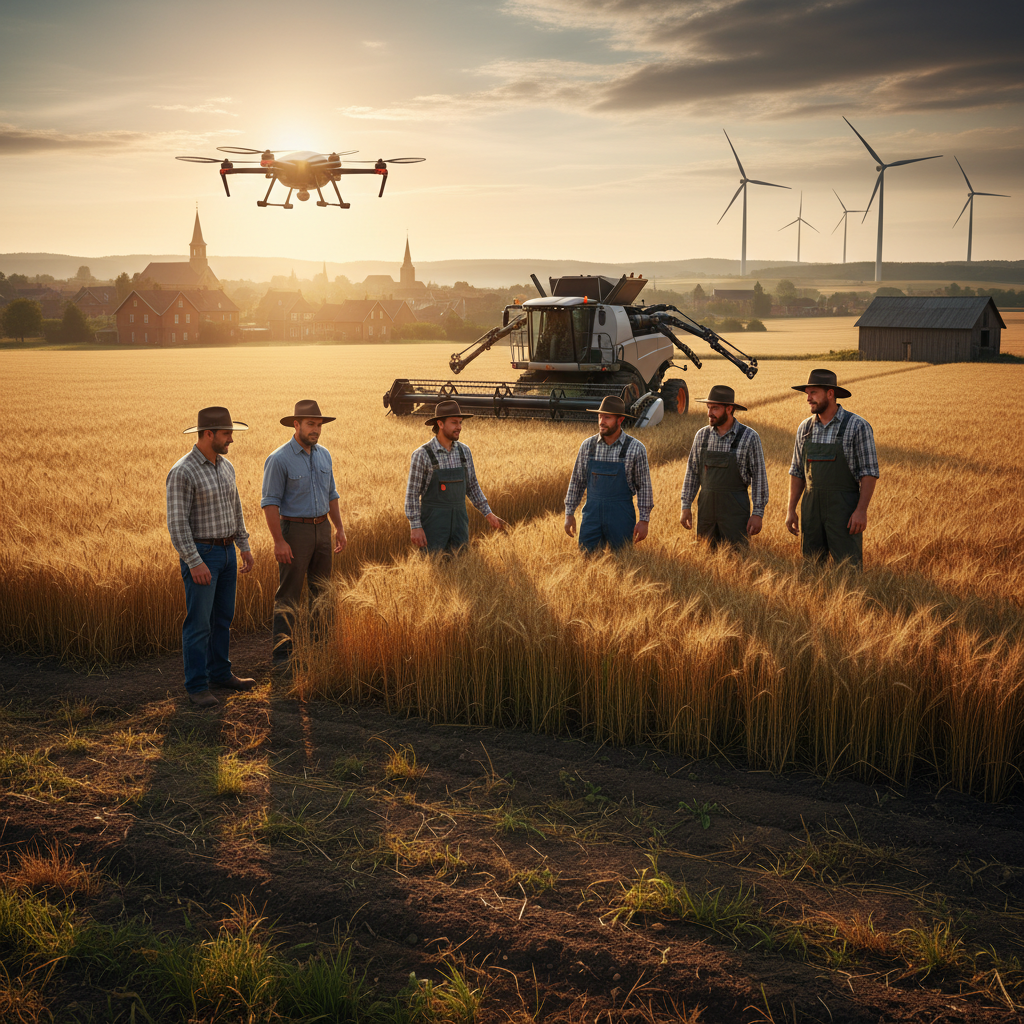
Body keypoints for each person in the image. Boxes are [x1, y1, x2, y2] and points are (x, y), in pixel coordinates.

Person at [166, 406, 255, 709]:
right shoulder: (183, 471)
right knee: (199, 623)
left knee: (222, 619)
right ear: (209, 434)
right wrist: (194, 561)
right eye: (227, 434)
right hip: (203, 554)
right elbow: (177, 523)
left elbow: (236, 507)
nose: (231, 439)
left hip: (228, 552)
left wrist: (244, 546)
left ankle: (220, 673)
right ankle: (197, 686)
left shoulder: (225, 466)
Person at [261, 399, 347, 672]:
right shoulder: (279, 459)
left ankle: (321, 648)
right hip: (294, 531)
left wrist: (339, 528)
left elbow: (331, 494)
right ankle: (282, 656)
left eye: (319, 425)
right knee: (289, 594)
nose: (316, 430)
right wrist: (279, 541)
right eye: (311, 424)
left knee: (322, 590)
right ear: (296, 424)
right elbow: (270, 502)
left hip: (322, 528)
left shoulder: (324, 455)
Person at [785, 368, 879, 568]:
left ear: (830, 393)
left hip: (843, 511)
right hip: (811, 510)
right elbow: (797, 472)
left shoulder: (857, 426)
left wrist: (861, 511)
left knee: (848, 570)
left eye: (813, 393)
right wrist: (791, 509)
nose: (808, 398)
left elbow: (869, 472)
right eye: (807, 393)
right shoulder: (805, 429)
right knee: (811, 569)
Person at [404, 400, 504, 554]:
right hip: (433, 527)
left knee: (461, 568)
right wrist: (415, 526)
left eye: (460, 422)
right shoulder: (422, 455)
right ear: (440, 424)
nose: (459, 427)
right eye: (454, 422)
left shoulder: (464, 452)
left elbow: (472, 486)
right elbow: (412, 494)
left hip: (460, 526)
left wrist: (488, 514)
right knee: (435, 572)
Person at [680, 384, 768, 549]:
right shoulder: (702, 436)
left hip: (735, 514)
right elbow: (692, 473)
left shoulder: (749, 437)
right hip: (706, 513)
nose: (709, 413)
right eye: (708, 407)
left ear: (729, 409)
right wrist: (686, 505)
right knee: (706, 562)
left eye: (715, 408)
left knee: (737, 562)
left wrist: (758, 513)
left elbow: (759, 477)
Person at [564, 395, 653, 552]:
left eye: (607, 417)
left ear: (620, 420)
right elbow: (577, 481)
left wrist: (644, 520)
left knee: (623, 564)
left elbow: (644, 487)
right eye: (600, 416)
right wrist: (569, 513)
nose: (601, 422)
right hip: (591, 516)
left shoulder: (636, 448)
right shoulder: (588, 446)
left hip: (621, 517)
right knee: (587, 561)